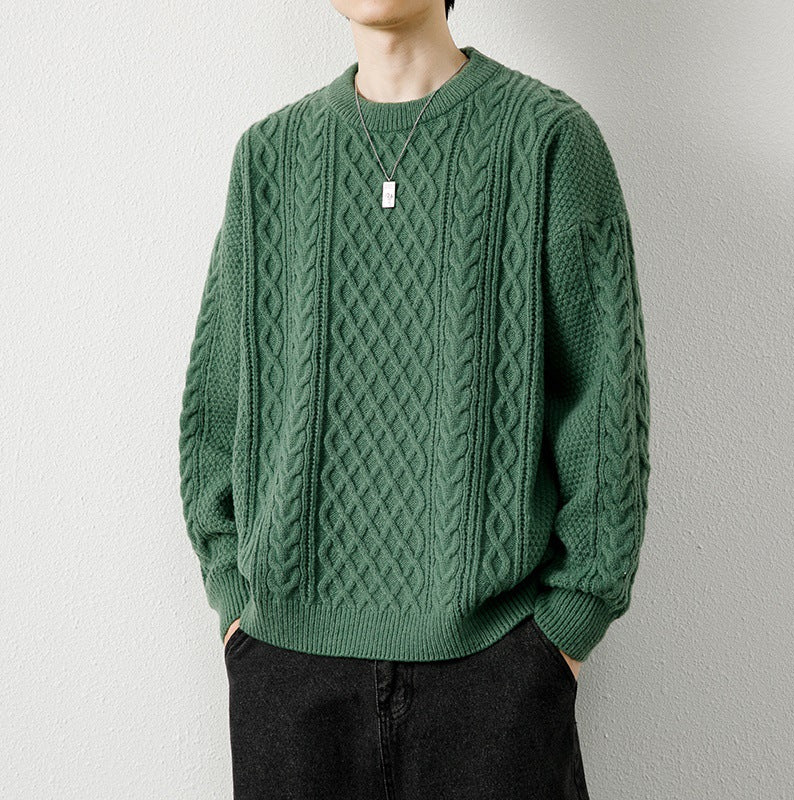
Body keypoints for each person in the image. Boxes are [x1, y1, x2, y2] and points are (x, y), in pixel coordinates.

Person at [177, 1, 651, 797]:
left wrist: (565, 630)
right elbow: (216, 412)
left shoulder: (546, 140)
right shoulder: (268, 159)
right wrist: (234, 601)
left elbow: (605, 402)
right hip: (289, 681)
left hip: (495, 674)